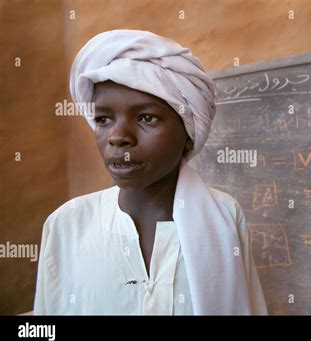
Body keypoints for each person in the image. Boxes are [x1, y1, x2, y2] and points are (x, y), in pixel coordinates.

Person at [34, 29, 267, 315]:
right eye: (104, 119)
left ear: (188, 132)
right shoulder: (67, 225)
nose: (118, 137)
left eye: (147, 118)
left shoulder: (225, 216)